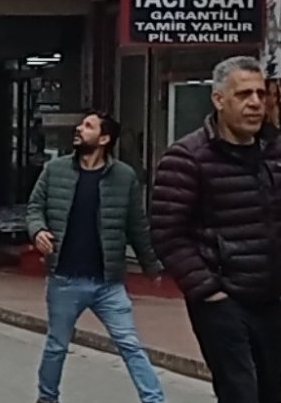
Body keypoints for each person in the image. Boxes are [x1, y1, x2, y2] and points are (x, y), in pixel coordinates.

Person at [152, 55, 281, 403]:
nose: (256, 103)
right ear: (219, 100)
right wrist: (209, 291)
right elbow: (167, 233)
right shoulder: (186, 158)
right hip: (224, 300)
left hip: (272, 297)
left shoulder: (274, 151)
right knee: (241, 391)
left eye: (261, 94)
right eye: (244, 95)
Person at [26, 111, 164, 403]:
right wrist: (37, 230)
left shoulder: (124, 177)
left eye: (87, 126)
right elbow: (34, 207)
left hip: (108, 283)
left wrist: (152, 267)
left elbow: (136, 226)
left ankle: (154, 400)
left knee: (130, 344)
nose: (79, 129)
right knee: (56, 346)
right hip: (64, 279)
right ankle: (47, 399)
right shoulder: (56, 170)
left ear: (104, 139)